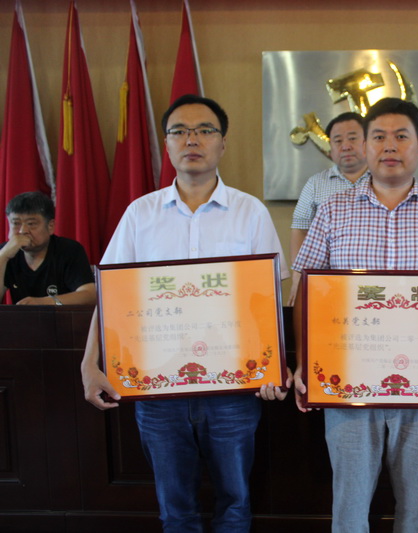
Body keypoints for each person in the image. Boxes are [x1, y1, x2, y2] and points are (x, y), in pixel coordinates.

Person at [80, 94, 289, 533]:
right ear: (167, 144)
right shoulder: (140, 214)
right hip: (159, 389)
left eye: (205, 130)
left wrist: (275, 365)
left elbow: (266, 300)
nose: (192, 139)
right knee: (176, 510)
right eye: (179, 131)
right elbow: (111, 296)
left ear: (222, 143)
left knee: (235, 504)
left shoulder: (250, 212)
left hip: (233, 391)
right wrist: (89, 364)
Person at [292, 97, 418, 533]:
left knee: (417, 507)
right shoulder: (332, 211)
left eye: (401, 136)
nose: (389, 146)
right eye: (379, 137)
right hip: (346, 384)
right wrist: (303, 363)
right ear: (365, 146)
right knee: (349, 507)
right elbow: (306, 293)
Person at [288, 112, 369, 305]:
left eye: (352, 138)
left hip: (374, 282)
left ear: (368, 142)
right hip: (326, 285)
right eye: (338, 141)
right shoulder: (316, 184)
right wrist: (299, 277)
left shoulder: (385, 182)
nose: (345, 146)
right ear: (330, 147)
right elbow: (300, 229)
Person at [1, 191, 95, 305]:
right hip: (21, 317)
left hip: (62, 316)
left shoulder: (69, 250)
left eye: (31, 224)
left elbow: (90, 295)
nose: (23, 231)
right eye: (16, 223)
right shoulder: (6, 252)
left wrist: (44, 302)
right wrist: (3, 256)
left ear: (50, 226)